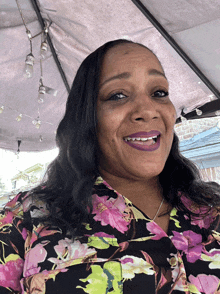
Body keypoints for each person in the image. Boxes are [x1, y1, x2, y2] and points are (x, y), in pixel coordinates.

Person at [1, 39, 220, 293]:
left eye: (159, 92)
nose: (148, 110)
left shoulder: (211, 209)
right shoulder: (23, 220)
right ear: (87, 117)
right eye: (118, 95)